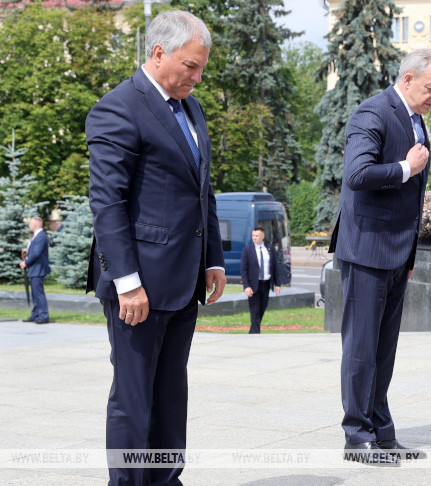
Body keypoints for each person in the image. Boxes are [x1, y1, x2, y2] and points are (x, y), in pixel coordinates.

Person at [85, 10, 226, 485]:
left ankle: (166, 480)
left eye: (202, 67)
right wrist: (127, 283)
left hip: (184, 281)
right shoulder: (118, 107)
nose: (197, 77)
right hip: (139, 285)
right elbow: (107, 204)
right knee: (133, 398)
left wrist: (213, 259)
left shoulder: (190, 107)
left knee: (170, 394)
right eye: (190, 66)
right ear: (159, 51)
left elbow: (202, 188)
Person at [328, 48, 431, 466]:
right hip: (366, 249)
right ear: (409, 78)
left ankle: (382, 433)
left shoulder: (416, 120)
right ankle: (355, 435)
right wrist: (405, 167)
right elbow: (357, 175)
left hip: (397, 253)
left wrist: (410, 252)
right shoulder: (372, 113)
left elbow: (410, 202)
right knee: (361, 347)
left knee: (384, 349)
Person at [240, 227, 281, 334]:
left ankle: (252, 333)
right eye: (253, 235)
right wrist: (246, 286)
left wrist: (277, 284)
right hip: (253, 286)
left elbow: (275, 267)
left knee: (262, 309)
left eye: (257, 236)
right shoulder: (247, 250)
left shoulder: (269, 249)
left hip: (266, 284)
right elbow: (243, 270)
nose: (254, 238)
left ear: (263, 236)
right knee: (254, 311)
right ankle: (256, 334)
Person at [19, 216, 50, 324]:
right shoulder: (37, 236)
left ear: (36, 224)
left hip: (38, 269)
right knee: (35, 293)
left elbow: (36, 253)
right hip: (35, 269)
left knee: (38, 293)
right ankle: (36, 314)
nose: (29, 225)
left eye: (31, 223)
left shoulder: (41, 236)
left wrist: (26, 262)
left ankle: (43, 316)